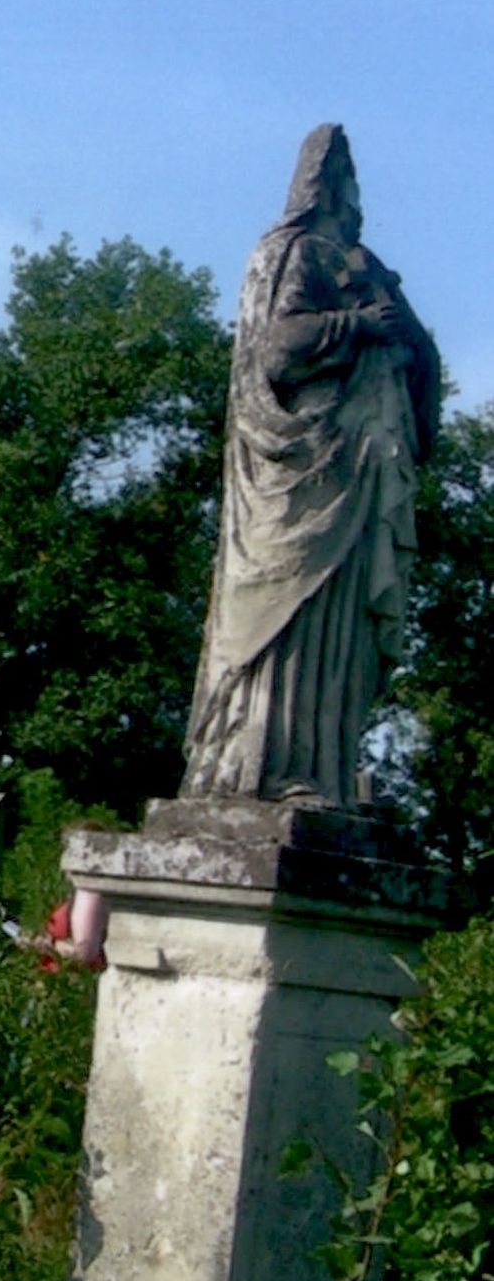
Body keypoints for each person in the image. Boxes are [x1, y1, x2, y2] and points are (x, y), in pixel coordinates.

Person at [183, 124, 439, 804]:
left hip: (354, 471)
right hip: (299, 473)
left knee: (340, 627)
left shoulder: (366, 263)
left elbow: (421, 354)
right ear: (318, 184)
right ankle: (265, 768)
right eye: (340, 175)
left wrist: (402, 334)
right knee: (288, 615)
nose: (353, 190)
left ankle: (325, 769)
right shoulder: (291, 252)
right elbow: (276, 349)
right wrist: (356, 326)